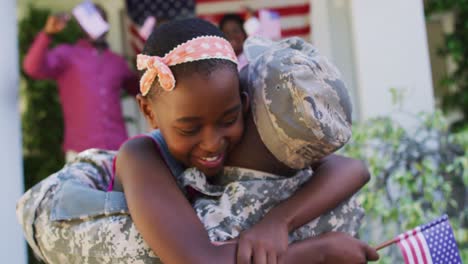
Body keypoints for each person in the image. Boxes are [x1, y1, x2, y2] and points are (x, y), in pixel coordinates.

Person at [114, 18, 379, 263]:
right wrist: (320, 251)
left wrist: (279, 222)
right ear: (148, 111)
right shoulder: (142, 156)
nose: (212, 143)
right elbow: (201, 261)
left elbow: (352, 168)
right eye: (190, 129)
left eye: (228, 120)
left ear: (243, 102)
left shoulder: (237, 140)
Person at [23, 4, 139, 162]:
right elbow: (32, 68)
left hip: (117, 150)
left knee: (119, 188)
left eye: (100, 19)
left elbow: (141, 91)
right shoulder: (67, 54)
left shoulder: (116, 62)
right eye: (92, 19)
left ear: (106, 25)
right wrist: (47, 34)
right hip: (80, 152)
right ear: (82, 26)